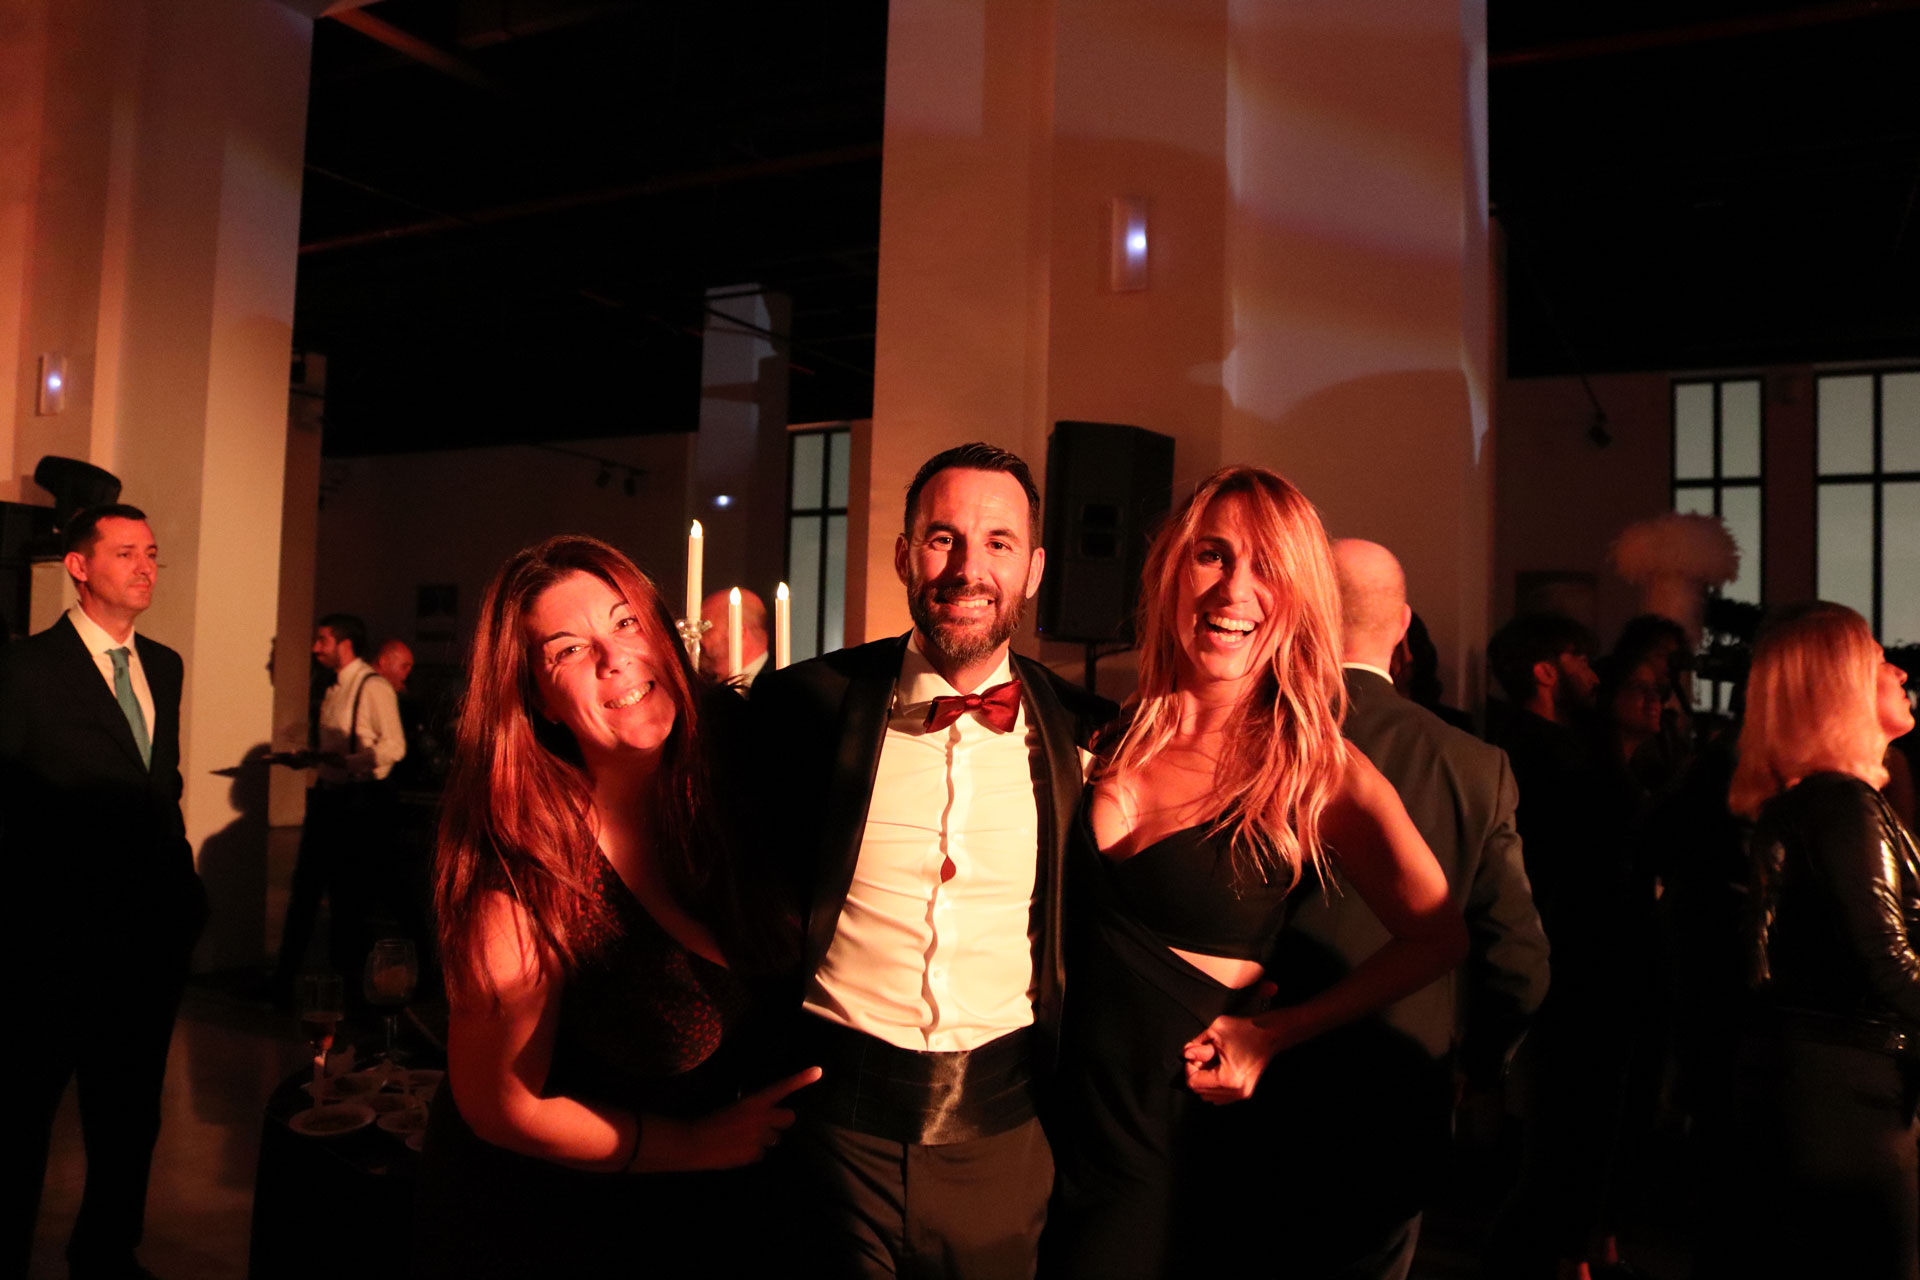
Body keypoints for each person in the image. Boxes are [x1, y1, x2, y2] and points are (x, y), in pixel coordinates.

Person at [1043, 468, 1467, 1280]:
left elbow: (1439, 935)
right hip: (1054, 1122)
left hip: (1180, 1154)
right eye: (1212, 555)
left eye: (1267, 566)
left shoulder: (1315, 767)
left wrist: (1273, 1034)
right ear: (1173, 569)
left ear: (1299, 596)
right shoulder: (1112, 732)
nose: (1234, 589)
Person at [749, 442, 1115, 1279]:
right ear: (904, 555)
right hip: (825, 1136)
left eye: (998, 542)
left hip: (1003, 1138)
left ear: (1033, 570)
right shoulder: (801, 705)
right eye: (943, 538)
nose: (968, 568)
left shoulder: (1092, 731)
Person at [414, 534, 818, 1278]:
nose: (614, 657)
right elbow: (500, 1107)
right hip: (563, 1227)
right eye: (568, 650)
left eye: (626, 622)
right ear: (536, 700)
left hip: (719, 1216)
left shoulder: (727, 789)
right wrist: (693, 1145)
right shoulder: (524, 874)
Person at [1258, 538, 1549, 1279]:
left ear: (1305, 614)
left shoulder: (1254, 738)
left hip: (1258, 1086)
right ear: (1403, 625)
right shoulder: (1473, 766)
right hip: (1400, 1092)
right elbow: (1520, 959)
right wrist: (1476, 1063)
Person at [4, 503, 208, 1279]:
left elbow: (160, 784)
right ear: (79, 566)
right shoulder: (26, 668)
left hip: (148, 937)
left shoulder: (164, 665)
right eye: (125, 553)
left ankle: (106, 1254)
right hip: (51, 940)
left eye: (151, 553)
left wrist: (184, 895)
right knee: (21, 1119)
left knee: (129, 1115)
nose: (145, 567)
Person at [1704, 602, 1920, 1279]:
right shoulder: (1842, 804)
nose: (1900, 671)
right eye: (1878, 660)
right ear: (1840, 685)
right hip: (1850, 1096)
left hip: (1818, 1085)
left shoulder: (1811, 802)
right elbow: (1887, 961)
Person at [270, 613, 406, 1003]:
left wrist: (349, 762)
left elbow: (394, 746)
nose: (316, 648)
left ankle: (346, 989)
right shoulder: (332, 687)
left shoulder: (372, 687)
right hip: (328, 799)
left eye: (323, 640)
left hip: (357, 803)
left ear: (345, 644)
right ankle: (284, 982)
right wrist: (311, 758)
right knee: (305, 891)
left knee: (348, 900)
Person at [699, 587, 771, 685]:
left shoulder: (781, 686)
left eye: (705, 628)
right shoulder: (703, 686)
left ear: (738, 632)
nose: (698, 638)